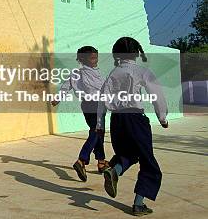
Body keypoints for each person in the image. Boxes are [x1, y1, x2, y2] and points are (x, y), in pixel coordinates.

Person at [96, 37, 168, 216]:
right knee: (148, 162)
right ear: (136, 53)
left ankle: (114, 171)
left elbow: (102, 100)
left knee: (127, 154)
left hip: (117, 120)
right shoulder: (141, 71)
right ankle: (138, 204)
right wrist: (162, 117)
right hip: (135, 119)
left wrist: (99, 124)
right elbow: (156, 94)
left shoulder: (113, 73)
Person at [51, 46, 108, 181]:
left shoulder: (79, 73)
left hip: (87, 105)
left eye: (96, 57)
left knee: (97, 132)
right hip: (96, 105)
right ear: (84, 59)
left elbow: (65, 86)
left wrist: (58, 98)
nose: (96, 60)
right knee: (97, 131)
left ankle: (101, 161)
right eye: (93, 58)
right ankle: (82, 159)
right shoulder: (86, 73)